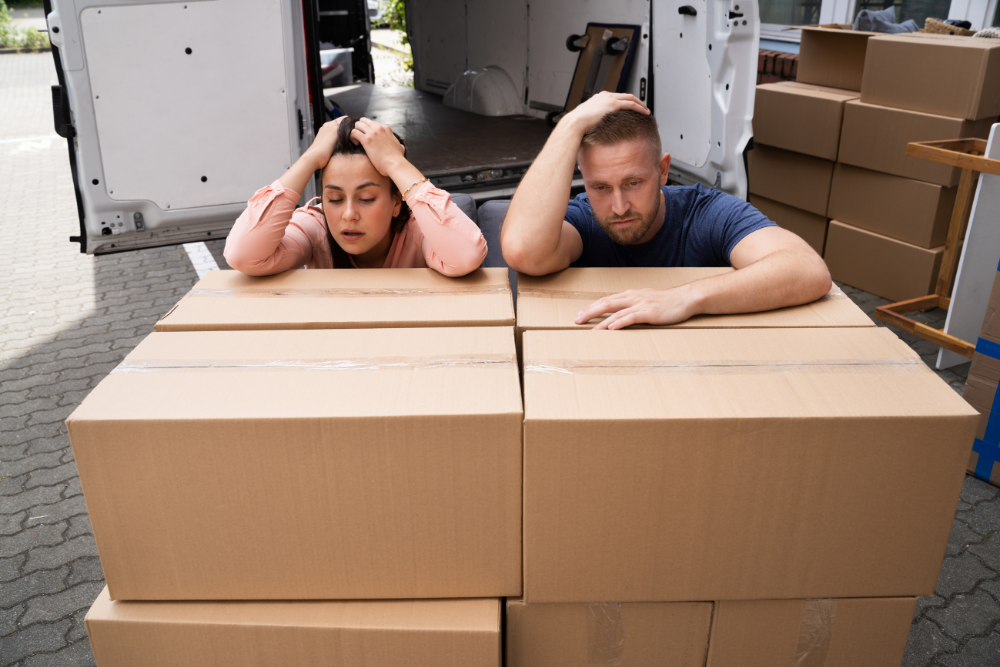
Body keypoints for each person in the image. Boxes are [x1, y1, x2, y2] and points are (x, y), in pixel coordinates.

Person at [500, 92, 832, 330]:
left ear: (662, 170)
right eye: (600, 187)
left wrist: (686, 298)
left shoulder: (705, 212)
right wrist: (569, 125)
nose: (619, 207)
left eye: (633, 183)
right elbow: (523, 251)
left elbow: (807, 270)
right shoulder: (584, 220)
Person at [225, 116, 487, 275]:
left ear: (397, 202)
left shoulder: (418, 231)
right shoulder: (316, 227)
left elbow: (466, 257)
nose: (348, 215)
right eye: (335, 200)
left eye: (367, 198)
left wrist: (396, 164)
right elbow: (242, 256)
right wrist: (310, 158)